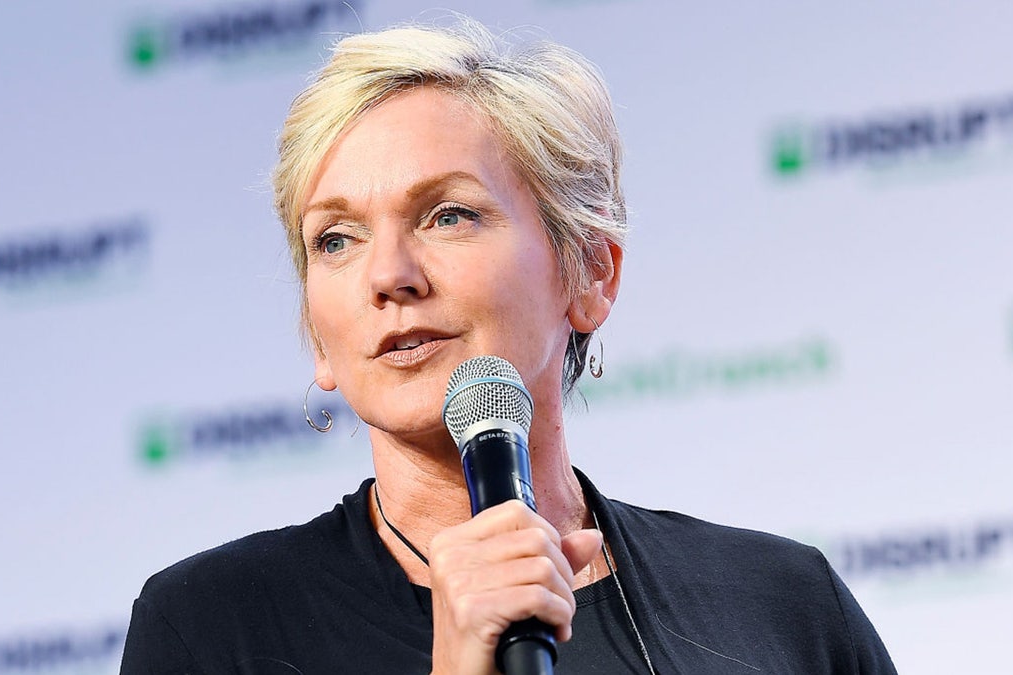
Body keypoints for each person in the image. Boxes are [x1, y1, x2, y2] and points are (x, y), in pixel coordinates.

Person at [120, 18, 897, 675]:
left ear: (590, 271)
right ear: (319, 335)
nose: (389, 275)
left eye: (447, 215)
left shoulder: (783, 604)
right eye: (335, 238)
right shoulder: (215, 629)